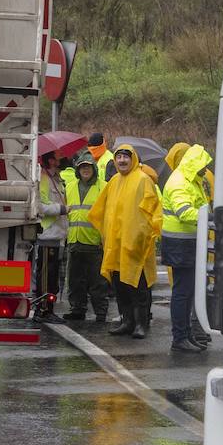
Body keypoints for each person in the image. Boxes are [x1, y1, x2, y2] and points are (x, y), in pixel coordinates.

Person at [89, 144, 162, 339]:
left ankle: (141, 324)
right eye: (118, 157)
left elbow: (153, 211)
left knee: (139, 287)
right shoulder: (114, 181)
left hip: (136, 246)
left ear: (133, 159)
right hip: (116, 245)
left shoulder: (143, 181)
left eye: (125, 157)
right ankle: (127, 321)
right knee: (120, 287)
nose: (122, 160)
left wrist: (143, 236)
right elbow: (102, 209)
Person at [162, 143, 213, 353]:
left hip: (188, 243)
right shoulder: (179, 182)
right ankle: (180, 337)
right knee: (182, 293)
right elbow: (185, 213)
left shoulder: (193, 180)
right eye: (203, 166)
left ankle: (187, 334)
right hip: (179, 244)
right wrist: (210, 217)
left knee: (188, 291)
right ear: (194, 164)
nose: (205, 170)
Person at [61, 151, 111, 322]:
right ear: (78, 169)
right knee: (75, 281)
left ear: (94, 169)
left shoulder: (103, 187)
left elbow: (109, 215)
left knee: (98, 282)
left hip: (95, 243)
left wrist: (104, 240)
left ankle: (101, 312)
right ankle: (77, 309)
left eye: (88, 167)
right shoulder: (70, 186)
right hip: (74, 241)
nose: (85, 170)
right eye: (82, 166)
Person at [34, 150, 68, 324]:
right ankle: (43, 310)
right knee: (47, 275)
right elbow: (40, 206)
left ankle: (48, 309)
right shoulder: (44, 179)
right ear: (49, 160)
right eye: (56, 156)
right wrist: (62, 209)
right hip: (47, 235)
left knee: (52, 275)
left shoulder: (56, 178)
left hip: (56, 235)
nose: (59, 158)